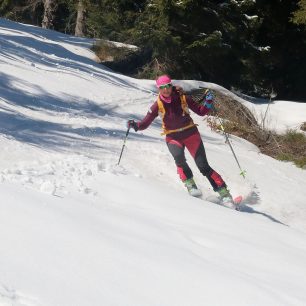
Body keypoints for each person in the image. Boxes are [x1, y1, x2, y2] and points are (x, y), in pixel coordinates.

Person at [127, 75, 234, 207]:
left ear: (170, 86)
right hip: (172, 137)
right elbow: (145, 122)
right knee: (179, 158)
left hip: (191, 134)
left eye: (167, 86)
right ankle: (191, 185)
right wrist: (136, 125)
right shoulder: (157, 105)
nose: (165, 90)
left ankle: (224, 194)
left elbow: (201, 112)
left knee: (203, 166)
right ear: (158, 89)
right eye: (162, 88)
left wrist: (208, 102)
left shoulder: (183, 98)